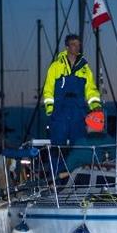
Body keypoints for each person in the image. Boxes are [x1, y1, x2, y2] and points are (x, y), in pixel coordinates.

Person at [43, 34, 102, 173]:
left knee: (79, 145)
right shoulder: (56, 66)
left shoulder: (85, 68)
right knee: (58, 145)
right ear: (67, 47)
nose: (77, 47)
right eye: (74, 44)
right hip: (60, 111)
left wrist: (95, 105)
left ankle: (77, 176)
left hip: (78, 110)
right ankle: (57, 177)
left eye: (78, 44)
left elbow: (91, 90)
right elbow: (48, 88)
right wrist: (50, 109)